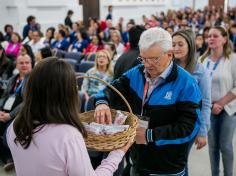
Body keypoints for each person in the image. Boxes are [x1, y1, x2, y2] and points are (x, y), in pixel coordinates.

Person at [94, 27, 202, 175]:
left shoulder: (186, 84)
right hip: (137, 161)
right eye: (143, 58)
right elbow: (109, 90)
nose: (147, 64)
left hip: (167, 168)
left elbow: (189, 127)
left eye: (154, 59)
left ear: (169, 54)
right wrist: (101, 103)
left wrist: (149, 135)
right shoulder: (136, 73)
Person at [6, 57, 132, 176]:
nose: (77, 88)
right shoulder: (67, 135)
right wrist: (117, 154)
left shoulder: (15, 126)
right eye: (74, 86)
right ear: (66, 93)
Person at [172, 29, 211, 176]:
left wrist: (203, 132)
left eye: (180, 44)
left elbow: (206, 102)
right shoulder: (168, 67)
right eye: (173, 44)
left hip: (189, 124)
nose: (176, 48)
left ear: (190, 45)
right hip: (168, 123)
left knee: (180, 161)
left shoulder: (200, 70)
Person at [199, 26, 236, 176]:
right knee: (213, 147)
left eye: (215, 36)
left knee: (225, 146)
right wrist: (208, 105)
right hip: (208, 109)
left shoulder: (232, 59)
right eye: (209, 36)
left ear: (225, 39)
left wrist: (220, 103)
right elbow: (198, 86)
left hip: (228, 108)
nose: (211, 39)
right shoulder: (202, 60)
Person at [0, 54, 32, 171]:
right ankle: (4, 157)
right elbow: (4, 96)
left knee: (7, 133)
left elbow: (28, 102)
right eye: (21, 63)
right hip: (5, 112)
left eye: (27, 63)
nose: (24, 65)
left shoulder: (33, 80)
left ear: (31, 64)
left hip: (21, 114)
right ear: (16, 65)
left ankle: (11, 159)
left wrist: (10, 115)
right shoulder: (13, 79)